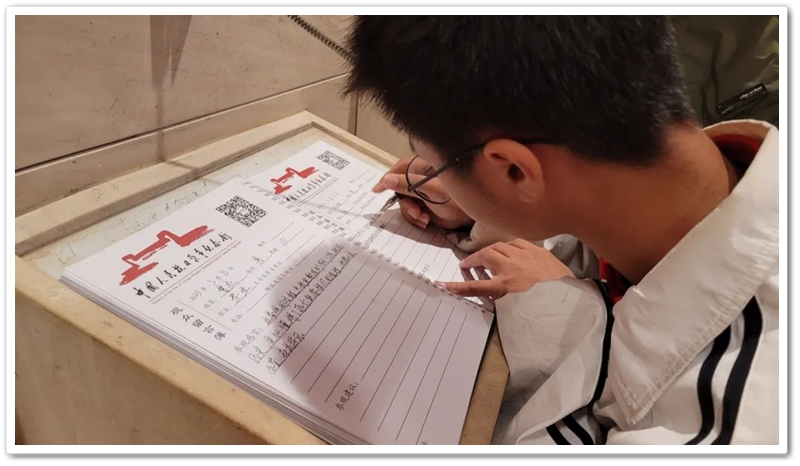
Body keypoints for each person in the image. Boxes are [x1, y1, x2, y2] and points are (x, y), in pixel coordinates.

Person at [344, 16, 779, 444]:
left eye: (435, 166)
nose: (431, 176)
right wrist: (485, 206)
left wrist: (574, 317)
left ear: (514, 170)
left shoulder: (716, 429)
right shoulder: (697, 193)